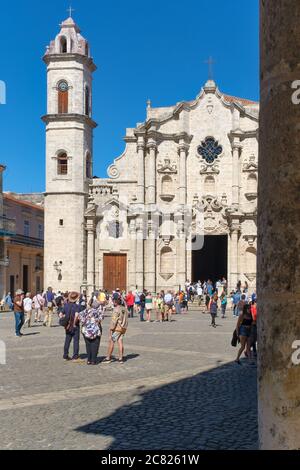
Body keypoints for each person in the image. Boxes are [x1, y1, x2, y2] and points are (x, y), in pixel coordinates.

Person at [103, 297, 128, 364]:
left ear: (115, 302)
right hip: (123, 328)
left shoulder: (116, 309)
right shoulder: (124, 308)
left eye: (113, 302)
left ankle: (108, 357)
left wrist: (111, 329)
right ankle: (121, 358)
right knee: (120, 342)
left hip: (117, 328)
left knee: (111, 341)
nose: (113, 303)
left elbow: (114, 321)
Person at [79, 300, 104, 365]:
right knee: (95, 345)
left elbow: (79, 316)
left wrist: (84, 321)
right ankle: (93, 360)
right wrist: (96, 321)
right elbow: (101, 319)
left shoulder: (86, 310)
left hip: (86, 330)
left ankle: (89, 360)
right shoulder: (99, 311)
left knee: (88, 345)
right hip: (95, 330)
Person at [59, 292, 81, 361]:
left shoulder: (66, 305)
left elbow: (60, 314)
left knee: (67, 340)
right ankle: (75, 356)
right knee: (76, 341)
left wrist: (64, 320)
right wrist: (74, 323)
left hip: (67, 326)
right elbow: (77, 315)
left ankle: (65, 355)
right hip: (75, 326)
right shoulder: (77, 306)